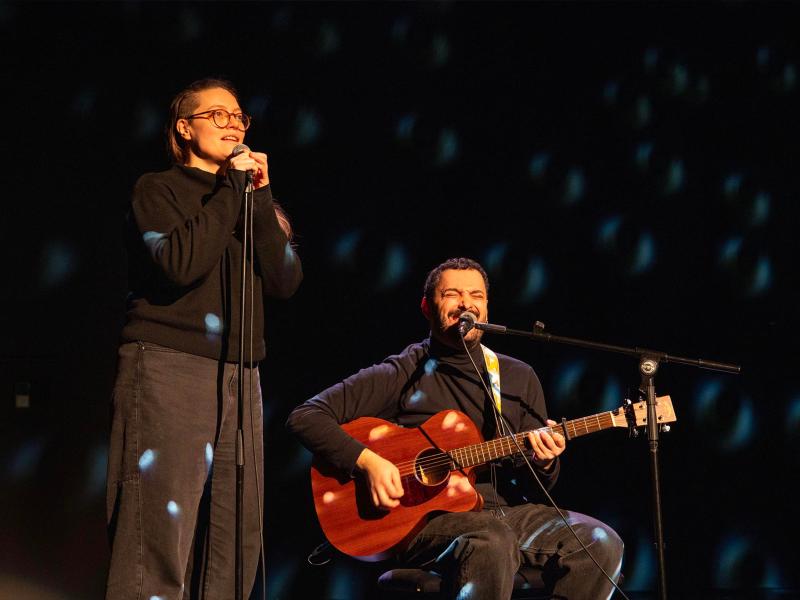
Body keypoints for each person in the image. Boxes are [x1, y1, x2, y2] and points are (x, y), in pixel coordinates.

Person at [287, 257, 622, 600]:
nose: (466, 303)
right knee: (491, 539)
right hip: (429, 522)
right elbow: (306, 416)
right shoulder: (405, 371)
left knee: (600, 543)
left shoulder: (517, 377)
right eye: (452, 293)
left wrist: (545, 460)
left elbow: (539, 486)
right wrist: (368, 462)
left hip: (505, 513)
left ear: (487, 309)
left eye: (476, 295)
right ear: (427, 307)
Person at [105, 78, 303, 600]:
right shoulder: (158, 189)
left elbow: (284, 279)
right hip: (170, 365)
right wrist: (231, 192)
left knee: (235, 537)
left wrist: (258, 197)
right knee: (160, 530)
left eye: (239, 117)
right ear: (183, 128)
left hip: (242, 374)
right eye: (218, 114)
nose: (233, 124)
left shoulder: (248, 198)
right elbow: (179, 263)